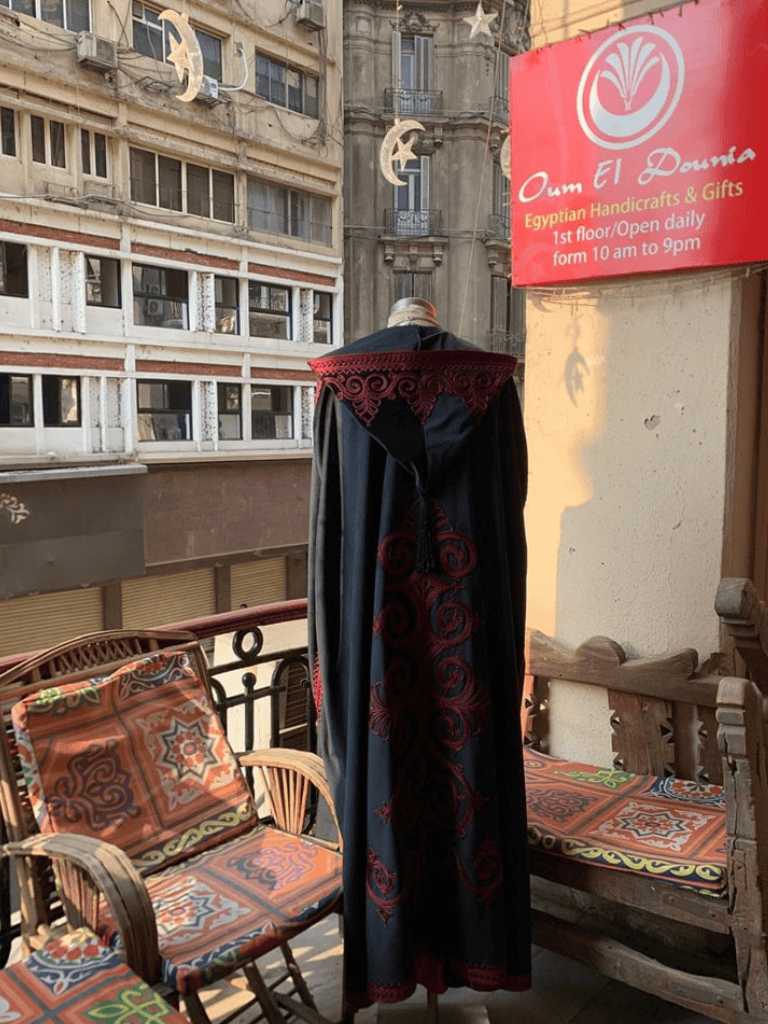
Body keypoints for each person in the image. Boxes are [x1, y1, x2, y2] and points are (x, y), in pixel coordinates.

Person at [308, 300, 530, 1011]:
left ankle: (393, 959)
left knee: (387, 783)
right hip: (471, 628)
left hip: (379, 639)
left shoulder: (344, 387)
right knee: (468, 782)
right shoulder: (490, 386)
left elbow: (330, 535)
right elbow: (509, 518)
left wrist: (334, 662)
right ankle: (472, 954)